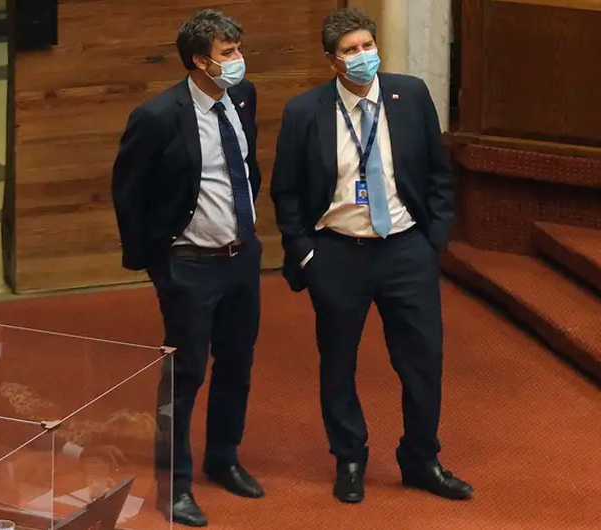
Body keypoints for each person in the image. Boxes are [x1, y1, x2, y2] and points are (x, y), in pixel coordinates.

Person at [270, 7, 473, 504]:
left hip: (406, 249)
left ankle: (421, 458)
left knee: (423, 359)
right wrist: (306, 254)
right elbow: (286, 191)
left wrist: (434, 239)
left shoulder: (411, 95)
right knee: (338, 362)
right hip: (338, 253)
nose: (363, 56)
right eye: (350, 51)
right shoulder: (305, 112)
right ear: (331, 61)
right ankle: (350, 457)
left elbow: (437, 170)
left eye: (367, 46)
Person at [111, 9, 263, 527]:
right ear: (200, 61)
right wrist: (156, 264)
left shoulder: (243, 96)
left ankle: (223, 457)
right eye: (228, 54)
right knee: (185, 374)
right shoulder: (157, 117)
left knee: (237, 364)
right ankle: (174, 486)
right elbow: (129, 194)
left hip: (241, 257)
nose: (239, 61)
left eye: (238, 50)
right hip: (189, 264)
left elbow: (246, 169)